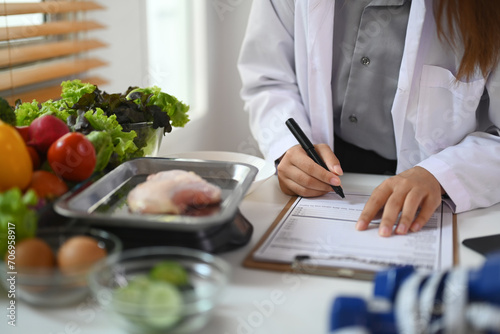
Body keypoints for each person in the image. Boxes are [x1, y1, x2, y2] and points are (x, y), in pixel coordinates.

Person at [237, 0, 500, 237]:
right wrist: (286, 147)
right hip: (330, 167)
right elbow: (269, 80)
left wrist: (442, 175)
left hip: (444, 181)